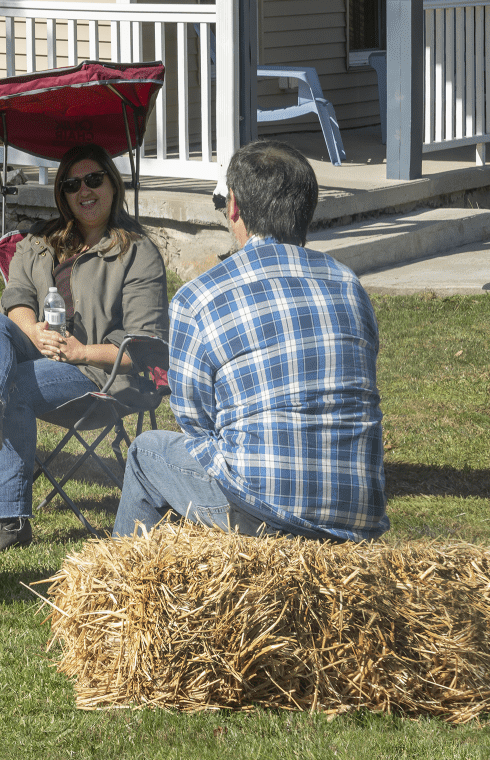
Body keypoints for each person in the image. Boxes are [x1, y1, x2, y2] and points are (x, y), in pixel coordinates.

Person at [112, 140, 387, 541]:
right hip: (359, 512)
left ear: (235, 205)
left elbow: (194, 420)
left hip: (262, 506)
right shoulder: (349, 284)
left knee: (146, 452)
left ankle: (125, 596)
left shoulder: (198, 297)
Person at [0, 144, 169, 555]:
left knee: (12, 385)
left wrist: (81, 351)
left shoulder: (136, 252)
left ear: (112, 183)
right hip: (38, 351)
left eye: (93, 179)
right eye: (72, 184)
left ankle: (7, 521)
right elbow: (15, 295)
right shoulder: (40, 240)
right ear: (62, 194)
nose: (84, 190)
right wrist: (32, 330)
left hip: (99, 372)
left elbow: (143, 345)